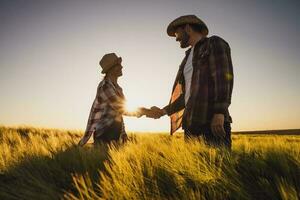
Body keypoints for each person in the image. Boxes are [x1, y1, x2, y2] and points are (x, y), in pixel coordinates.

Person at [149, 15, 234, 148]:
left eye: (177, 34)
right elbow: (187, 96)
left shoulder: (213, 43)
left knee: (218, 167)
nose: (176, 38)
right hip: (190, 125)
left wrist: (219, 112)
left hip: (211, 122)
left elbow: (223, 78)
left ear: (188, 28)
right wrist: (163, 111)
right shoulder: (187, 58)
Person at [78, 53, 142, 146]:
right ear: (111, 69)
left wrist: (123, 133)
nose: (122, 67)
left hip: (114, 134)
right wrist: (146, 112)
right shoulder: (105, 86)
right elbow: (122, 109)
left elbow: (119, 114)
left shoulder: (118, 89)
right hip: (104, 135)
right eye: (118, 65)